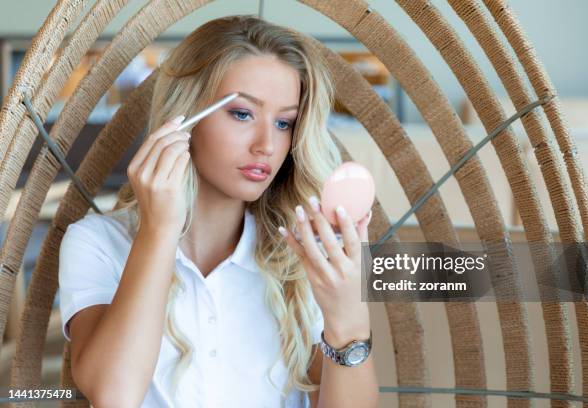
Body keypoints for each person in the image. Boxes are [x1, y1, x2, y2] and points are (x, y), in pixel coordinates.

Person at [58, 15, 378, 407]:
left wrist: (351, 324)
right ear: (183, 117)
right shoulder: (97, 243)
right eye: (242, 114)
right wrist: (159, 230)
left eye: (283, 122)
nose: (266, 145)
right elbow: (114, 396)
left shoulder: (300, 258)